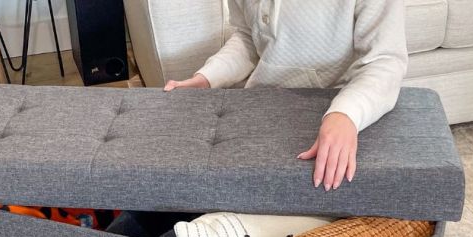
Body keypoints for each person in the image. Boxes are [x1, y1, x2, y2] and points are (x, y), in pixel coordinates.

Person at [164, 0, 408, 191]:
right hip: (257, 111)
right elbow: (249, 38)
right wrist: (205, 79)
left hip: (324, 119)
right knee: (160, 201)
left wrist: (345, 115)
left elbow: (385, 61)